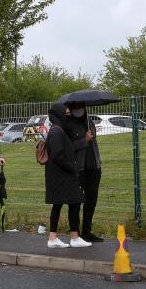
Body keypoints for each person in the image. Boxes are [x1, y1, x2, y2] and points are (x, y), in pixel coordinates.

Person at [44, 103, 90, 248]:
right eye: (67, 113)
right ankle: (72, 237)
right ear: (59, 114)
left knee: (63, 204)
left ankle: (54, 238)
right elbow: (58, 155)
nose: (68, 115)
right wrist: (73, 168)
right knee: (74, 202)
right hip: (62, 175)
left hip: (59, 174)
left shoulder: (59, 129)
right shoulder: (57, 132)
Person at [79, 109, 104, 243]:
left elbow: (93, 143)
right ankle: (75, 233)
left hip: (93, 166)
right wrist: (84, 139)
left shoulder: (89, 122)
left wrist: (98, 162)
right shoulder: (70, 124)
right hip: (80, 167)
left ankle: (86, 231)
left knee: (91, 200)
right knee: (76, 201)